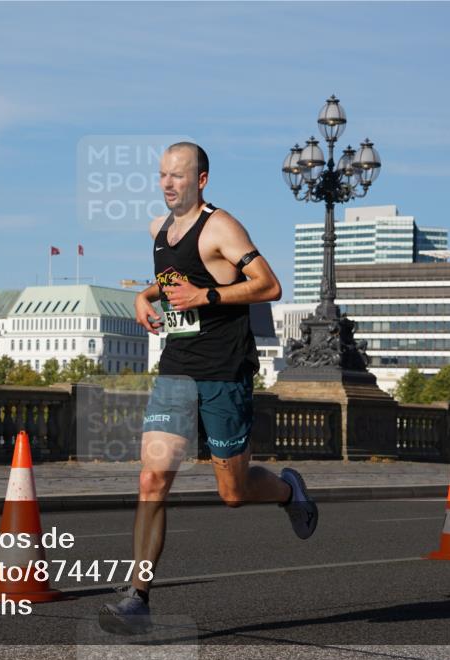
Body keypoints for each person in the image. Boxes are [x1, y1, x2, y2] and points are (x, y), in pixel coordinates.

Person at [98, 142, 318, 635]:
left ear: (200, 180)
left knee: (233, 493)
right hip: (177, 370)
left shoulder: (221, 227)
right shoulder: (158, 230)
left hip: (224, 372)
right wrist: (143, 296)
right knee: (151, 481)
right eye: (162, 174)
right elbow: (174, 279)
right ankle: (137, 598)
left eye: (178, 175)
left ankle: (288, 491)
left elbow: (269, 285)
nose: (167, 183)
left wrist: (207, 296)